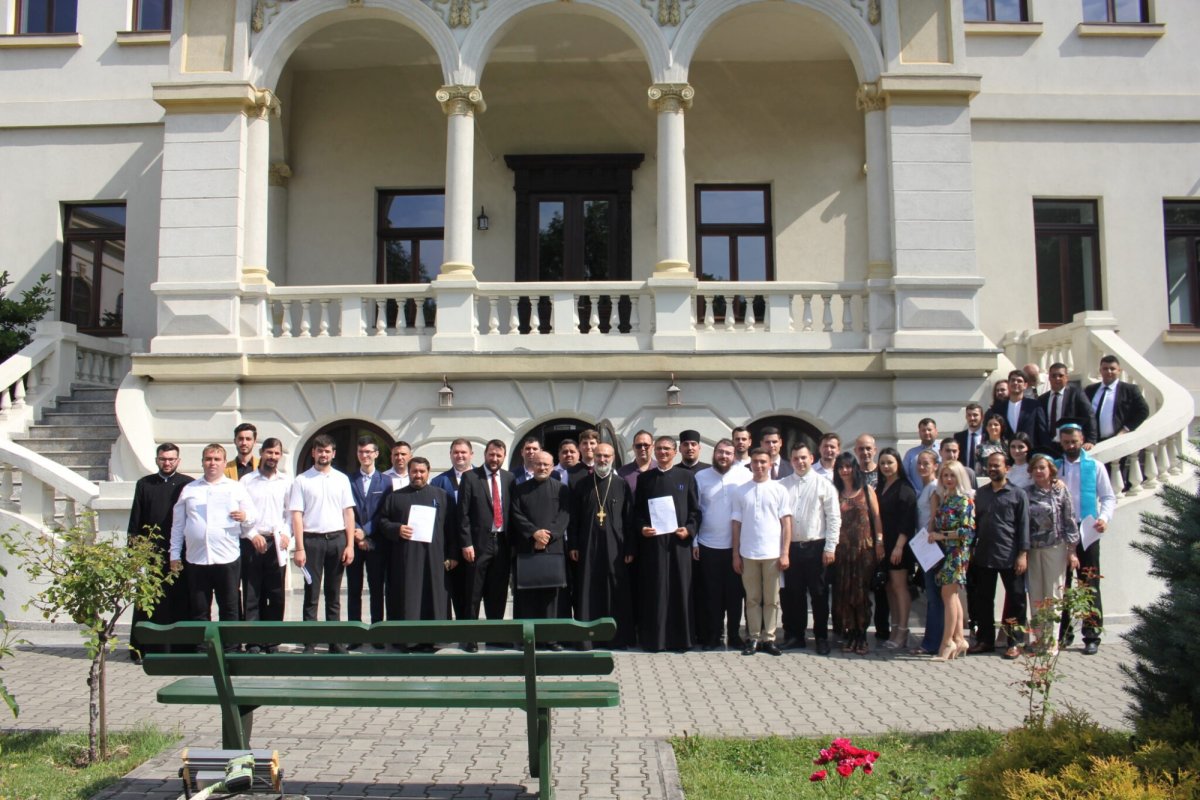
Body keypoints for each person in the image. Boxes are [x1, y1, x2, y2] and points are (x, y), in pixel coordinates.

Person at [169, 444, 257, 636]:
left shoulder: (236, 488)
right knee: (200, 609)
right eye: (208, 459)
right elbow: (178, 525)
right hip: (197, 558)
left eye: (217, 459)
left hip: (227, 557)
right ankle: (203, 650)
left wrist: (244, 516)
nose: (212, 463)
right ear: (202, 462)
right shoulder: (189, 490)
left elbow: (253, 515)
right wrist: (174, 554)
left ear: (225, 463)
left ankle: (232, 648)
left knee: (230, 607)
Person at [289, 434, 356, 652]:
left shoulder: (342, 479)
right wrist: (299, 547)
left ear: (333, 454)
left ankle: (335, 641)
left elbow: (348, 513)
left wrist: (350, 545)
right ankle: (310, 641)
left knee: (334, 594)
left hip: (337, 540)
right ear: (313, 453)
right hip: (312, 541)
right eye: (320, 450)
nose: (323, 454)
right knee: (311, 594)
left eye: (327, 451)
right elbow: (297, 515)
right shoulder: (301, 480)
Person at [634, 435, 700, 652]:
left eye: (667, 449)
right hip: (654, 545)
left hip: (679, 544)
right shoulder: (645, 479)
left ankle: (682, 640)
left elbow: (695, 511)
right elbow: (637, 512)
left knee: (681, 588)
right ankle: (655, 640)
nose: (662, 453)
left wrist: (689, 530)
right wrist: (642, 527)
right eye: (659, 449)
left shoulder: (687, 476)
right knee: (656, 590)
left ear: (675, 452)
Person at [127, 443, 193, 661]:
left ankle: (181, 649)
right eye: (163, 459)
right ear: (157, 460)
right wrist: (135, 555)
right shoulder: (144, 485)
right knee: (150, 601)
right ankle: (144, 648)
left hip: (180, 554)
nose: (167, 463)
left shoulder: (188, 485)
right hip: (151, 553)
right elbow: (136, 521)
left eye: (171, 459)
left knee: (180, 600)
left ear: (178, 461)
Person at [1056, 421, 1116, 654]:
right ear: (1061, 443)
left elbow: (1108, 497)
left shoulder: (1096, 466)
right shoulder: (1056, 467)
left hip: (1088, 530)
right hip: (1061, 531)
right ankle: (1063, 633)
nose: (1070, 445)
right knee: (1062, 583)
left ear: (1082, 441)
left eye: (1074, 441)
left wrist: (1104, 518)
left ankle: (1091, 635)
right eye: (1066, 442)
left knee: (1088, 583)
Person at [569, 442, 635, 648]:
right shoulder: (581, 484)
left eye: (606, 456)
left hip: (615, 548)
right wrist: (573, 545)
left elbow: (630, 519)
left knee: (615, 589)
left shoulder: (621, 484)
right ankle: (587, 638)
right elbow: (573, 518)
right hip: (587, 546)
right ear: (592, 457)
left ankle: (616, 638)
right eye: (598, 456)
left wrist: (630, 548)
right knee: (587, 589)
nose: (602, 460)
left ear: (613, 457)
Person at [779, 441, 841, 655]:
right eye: (795, 458)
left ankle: (822, 637)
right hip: (791, 548)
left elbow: (834, 517)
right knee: (791, 595)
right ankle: (795, 636)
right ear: (791, 461)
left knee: (819, 595)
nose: (800, 462)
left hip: (817, 547)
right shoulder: (782, 485)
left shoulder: (824, 484)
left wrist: (830, 547)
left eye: (804, 458)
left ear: (811, 459)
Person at [378, 457, 454, 626]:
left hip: (434, 559)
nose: (418, 475)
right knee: (407, 598)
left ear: (428, 472)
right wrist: (397, 529)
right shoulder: (395, 497)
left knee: (434, 597)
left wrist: (452, 555)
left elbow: (451, 528)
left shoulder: (441, 496)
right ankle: (407, 639)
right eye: (414, 471)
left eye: (422, 471)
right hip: (406, 560)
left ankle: (434, 638)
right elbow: (383, 522)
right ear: (409, 472)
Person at [454, 439, 515, 651]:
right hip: (478, 544)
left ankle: (495, 634)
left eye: (499, 456)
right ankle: (469, 637)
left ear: (504, 457)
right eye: (491, 455)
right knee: (473, 592)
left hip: (502, 543)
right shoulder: (470, 478)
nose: (495, 459)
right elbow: (462, 515)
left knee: (497, 592)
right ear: (485, 455)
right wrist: (466, 543)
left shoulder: (509, 479)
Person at [969, 451, 1029, 660]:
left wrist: (1023, 554)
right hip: (984, 555)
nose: (993, 469)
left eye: (997, 465)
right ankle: (985, 640)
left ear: (1007, 468)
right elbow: (974, 525)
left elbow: (1023, 526)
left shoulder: (1017, 494)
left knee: (1016, 599)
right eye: (990, 466)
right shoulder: (981, 494)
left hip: (1010, 555)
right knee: (984, 599)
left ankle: (1015, 641)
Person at [731, 449, 792, 656]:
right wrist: (735, 554)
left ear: (769, 464)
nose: (758, 466)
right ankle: (754, 638)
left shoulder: (779, 489)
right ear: (751, 465)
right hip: (748, 552)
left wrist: (785, 553)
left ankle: (770, 638)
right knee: (752, 598)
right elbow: (736, 525)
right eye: (755, 462)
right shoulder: (741, 491)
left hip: (772, 553)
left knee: (772, 599)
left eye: (763, 462)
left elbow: (786, 523)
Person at [693, 439, 751, 650]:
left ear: (734, 455)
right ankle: (713, 636)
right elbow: (695, 511)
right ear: (713, 453)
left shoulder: (745, 475)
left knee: (735, 595)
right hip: (708, 545)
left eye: (728, 453)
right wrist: (694, 541)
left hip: (737, 547)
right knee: (712, 594)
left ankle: (734, 635)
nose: (723, 456)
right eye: (720, 452)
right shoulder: (701, 477)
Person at [510, 450, 571, 650]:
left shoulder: (562, 490)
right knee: (527, 596)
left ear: (552, 466)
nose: (542, 468)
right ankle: (527, 639)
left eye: (546, 464)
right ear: (532, 465)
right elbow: (516, 515)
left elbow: (564, 516)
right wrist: (534, 533)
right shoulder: (520, 490)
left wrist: (548, 536)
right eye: (538, 464)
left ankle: (551, 639)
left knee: (552, 597)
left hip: (553, 549)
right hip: (528, 549)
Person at [239, 437, 292, 653]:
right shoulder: (246, 481)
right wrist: (252, 535)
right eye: (269, 452)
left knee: (276, 593)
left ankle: (272, 639)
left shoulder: (287, 481)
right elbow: (240, 513)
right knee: (252, 592)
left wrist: (287, 534)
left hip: (277, 542)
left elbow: (291, 513)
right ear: (261, 453)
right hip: (253, 541)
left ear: (281, 456)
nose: (272, 457)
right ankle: (253, 640)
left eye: (276, 453)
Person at [1025, 452, 1080, 655]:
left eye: (1042, 468)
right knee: (1036, 595)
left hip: (1055, 547)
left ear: (1050, 470)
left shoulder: (1060, 491)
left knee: (1054, 594)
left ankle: (1052, 640)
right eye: (1035, 468)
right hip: (1032, 549)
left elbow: (1070, 519)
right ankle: (1038, 638)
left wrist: (1072, 550)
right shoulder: (1026, 493)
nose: (1039, 471)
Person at [832, 452, 883, 655]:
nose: (845, 470)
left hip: (864, 550)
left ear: (855, 468)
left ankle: (862, 635)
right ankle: (850, 633)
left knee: (861, 594)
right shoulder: (835, 492)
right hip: (842, 552)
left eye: (848, 466)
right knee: (844, 593)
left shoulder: (867, 490)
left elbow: (877, 518)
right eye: (841, 467)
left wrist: (880, 542)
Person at [927, 461, 975, 662]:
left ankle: (947, 642)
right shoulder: (945, 499)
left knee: (948, 595)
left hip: (956, 553)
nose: (948, 479)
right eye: (945, 475)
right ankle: (958, 638)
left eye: (952, 475)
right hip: (943, 553)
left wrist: (942, 536)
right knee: (951, 596)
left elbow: (967, 531)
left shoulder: (965, 501)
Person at [346, 436, 391, 639]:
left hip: (376, 542)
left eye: (368, 452)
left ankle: (377, 632)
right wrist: (357, 533)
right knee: (354, 589)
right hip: (353, 542)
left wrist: (366, 531)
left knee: (376, 588)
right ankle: (354, 633)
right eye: (361, 452)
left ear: (376, 454)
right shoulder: (348, 480)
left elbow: (384, 511)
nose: (364, 455)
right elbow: (346, 509)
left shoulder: (386, 481)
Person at [1085, 354, 1150, 491]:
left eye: (1112, 369)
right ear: (1100, 370)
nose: (1108, 372)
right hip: (1094, 442)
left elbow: (1143, 411)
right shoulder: (1090, 390)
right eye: (1105, 368)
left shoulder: (1129, 390)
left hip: (1117, 439)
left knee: (1115, 479)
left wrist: (1125, 430)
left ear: (1119, 371)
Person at [877, 447, 917, 650]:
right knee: (890, 587)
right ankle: (894, 628)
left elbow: (907, 521)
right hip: (885, 544)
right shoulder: (882, 486)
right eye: (882, 462)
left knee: (900, 587)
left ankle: (902, 631)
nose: (886, 466)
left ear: (898, 464)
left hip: (899, 546)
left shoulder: (904, 488)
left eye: (890, 462)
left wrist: (899, 546)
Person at [911, 450, 944, 656]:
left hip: (931, 547)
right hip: (924, 547)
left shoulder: (933, 488)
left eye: (926, 464)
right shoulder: (924, 487)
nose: (922, 467)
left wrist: (928, 542)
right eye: (920, 464)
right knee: (932, 595)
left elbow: (933, 518)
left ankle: (933, 642)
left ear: (935, 466)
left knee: (934, 596)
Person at [1039, 362, 1097, 451]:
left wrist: (1091, 440)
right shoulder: (1042, 399)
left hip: (1070, 445)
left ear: (1066, 377)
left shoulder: (1076, 394)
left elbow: (1089, 415)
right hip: (1049, 446)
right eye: (1053, 376)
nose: (1057, 378)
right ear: (1049, 378)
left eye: (1060, 375)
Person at [991, 370, 1048, 448]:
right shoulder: (998, 408)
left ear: (1025, 385)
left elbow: (1042, 432)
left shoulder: (1034, 406)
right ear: (1008, 384)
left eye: (1019, 381)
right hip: (1005, 453)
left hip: (1029, 452)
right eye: (1013, 380)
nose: (1015, 383)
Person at [902, 418, 940, 493]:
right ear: (919, 433)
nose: (926, 432)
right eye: (923, 430)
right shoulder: (911, 454)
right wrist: (914, 491)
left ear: (936, 431)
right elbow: (905, 476)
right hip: (917, 497)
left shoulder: (943, 451)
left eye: (929, 430)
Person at [431, 438, 474, 503]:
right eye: (456, 452)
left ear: (471, 454)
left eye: (463, 452)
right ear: (450, 454)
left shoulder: (484, 478)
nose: (459, 455)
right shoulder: (437, 482)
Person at [954, 403, 986, 474]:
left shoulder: (987, 435)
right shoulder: (958, 437)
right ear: (966, 417)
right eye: (969, 415)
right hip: (964, 476)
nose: (972, 418)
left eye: (975, 415)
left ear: (982, 417)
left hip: (983, 477)